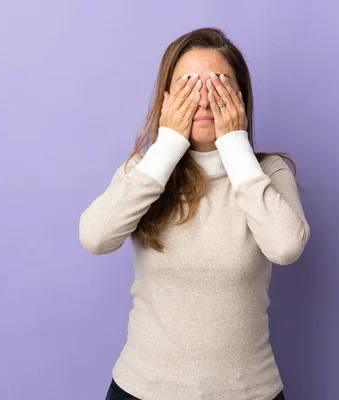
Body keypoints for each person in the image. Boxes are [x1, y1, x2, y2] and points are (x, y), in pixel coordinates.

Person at [79, 26, 310, 400]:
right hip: (143, 389)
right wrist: (170, 141)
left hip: (249, 391)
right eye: (189, 87)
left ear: (240, 97)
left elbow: (285, 247)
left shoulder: (267, 173)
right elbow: (95, 237)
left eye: (217, 85)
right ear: (167, 98)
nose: (203, 101)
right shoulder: (145, 169)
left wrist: (233, 141)